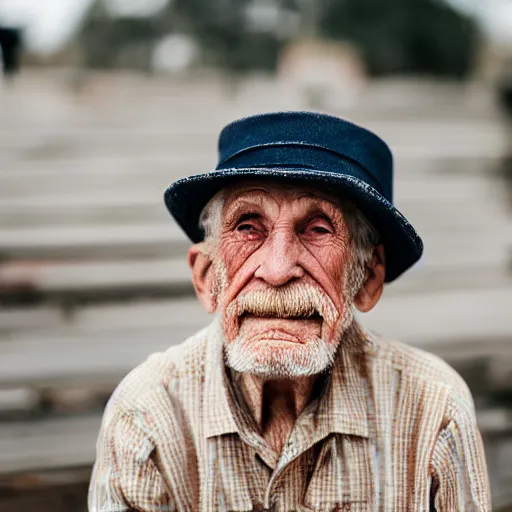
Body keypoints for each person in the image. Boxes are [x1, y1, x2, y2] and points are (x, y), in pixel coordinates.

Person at [88, 112, 491, 511]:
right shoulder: (145, 416)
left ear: (367, 278)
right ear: (207, 276)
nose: (278, 270)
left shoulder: (434, 409)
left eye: (318, 229)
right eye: (248, 226)